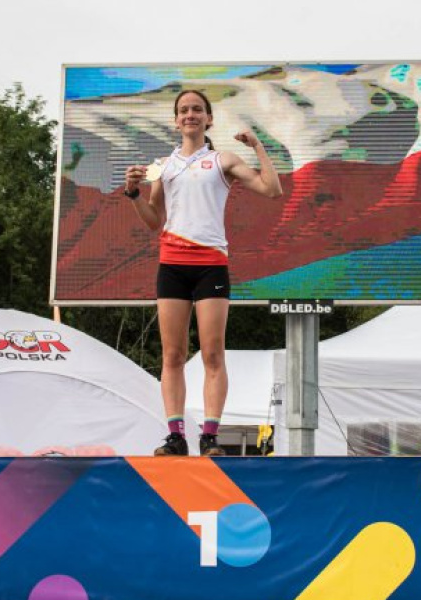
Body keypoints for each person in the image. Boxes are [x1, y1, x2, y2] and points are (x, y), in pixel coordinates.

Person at [123, 89, 283, 456]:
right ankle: (175, 436)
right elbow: (152, 221)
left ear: (209, 119)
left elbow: (272, 190)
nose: (190, 115)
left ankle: (210, 437)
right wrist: (132, 193)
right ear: (175, 120)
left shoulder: (222, 159)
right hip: (172, 266)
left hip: (210, 264)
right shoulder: (162, 167)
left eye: (197, 109)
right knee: (173, 355)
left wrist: (258, 146)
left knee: (213, 354)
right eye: (183, 110)